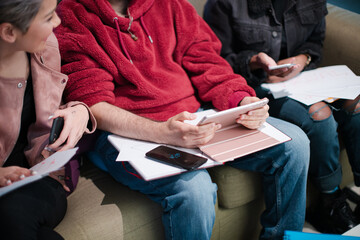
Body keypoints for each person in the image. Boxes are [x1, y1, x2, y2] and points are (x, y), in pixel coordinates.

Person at [54, 0, 310, 239]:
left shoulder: (171, 4)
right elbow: (94, 104)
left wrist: (241, 100)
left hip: (194, 116)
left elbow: (206, 60)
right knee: (194, 191)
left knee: (294, 143)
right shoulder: (71, 17)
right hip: (128, 135)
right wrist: (163, 132)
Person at [203, 0, 360, 234]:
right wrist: (253, 62)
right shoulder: (224, 4)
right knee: (320, 116)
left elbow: (314, 41)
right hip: (255, 87)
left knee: (357, 105)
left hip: (304, 79)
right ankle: (330, 201)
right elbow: (215, 61)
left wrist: (303, 58)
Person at [0, 0, 96, 239]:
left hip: (40, 175)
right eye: (48, 17)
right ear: (9, 32)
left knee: (12, 215)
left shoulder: (45, 47)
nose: (58, 22)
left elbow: (64, 100)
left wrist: (80, 111)